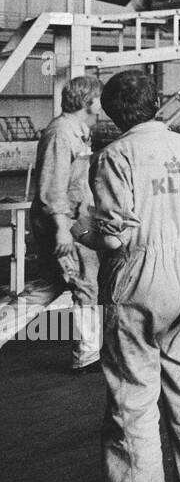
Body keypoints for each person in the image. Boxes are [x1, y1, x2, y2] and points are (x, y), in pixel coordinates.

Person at [92, 70, 180, 482]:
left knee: (133, 404)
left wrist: (87, 234)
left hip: (137, 280)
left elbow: (115, 236)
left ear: (113, 113)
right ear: (157, 102)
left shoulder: (116, 155)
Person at [11, 77, 104, 372]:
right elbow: (52, 188)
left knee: (51, 285)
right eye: (100, 99)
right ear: (87, 101)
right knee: (84, 283)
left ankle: (89, 351)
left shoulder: (79, 132)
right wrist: (63, 229)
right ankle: (88, 354)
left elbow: (77, 184)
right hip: (62, 222)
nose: (103, 106)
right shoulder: (61, 134)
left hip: (75, 219)